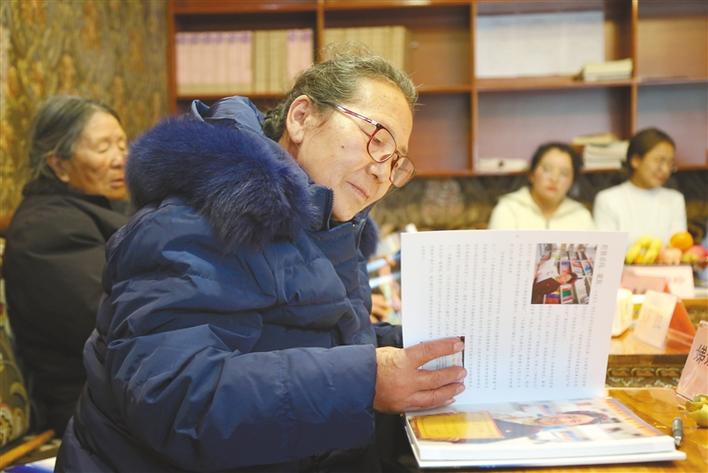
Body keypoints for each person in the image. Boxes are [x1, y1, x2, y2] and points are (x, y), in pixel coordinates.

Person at [56, 49, 466, 472]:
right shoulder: (194, 220)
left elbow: (308, 340)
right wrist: (366, 380)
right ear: (302, 118)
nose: (383, 172)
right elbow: (174, 399)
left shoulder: (330, 227)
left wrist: (410, 347)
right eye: (377, 140)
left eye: (396, 161)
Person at [3, 96, 129, 436]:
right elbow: (112, 321)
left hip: (132, 386)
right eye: (103, 148)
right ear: (59, 164)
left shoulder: (100, 206)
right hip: (96, 408)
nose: (121, 159)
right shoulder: (46, 227)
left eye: (122, 144)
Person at [593, 127, 686, 245]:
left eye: (670, 163)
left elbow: (679, 245)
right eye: (659, 161)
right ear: (635, 160)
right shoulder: (608, 199)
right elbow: (606, 249)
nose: (665, 170)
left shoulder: (675, 199)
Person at [488, 142, 594, 230]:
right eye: (547, 169)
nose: (554, 179)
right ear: (531, 174)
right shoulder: (508, 209)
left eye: (564, 173)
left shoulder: (581, 216)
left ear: (572, 181)